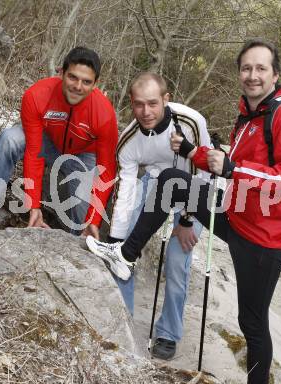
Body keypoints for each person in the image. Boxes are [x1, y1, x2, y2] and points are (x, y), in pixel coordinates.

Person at [86, 38, 281, 383]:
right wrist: (195, 152)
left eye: (260, 68)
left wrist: (227, 173)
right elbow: (218, 165)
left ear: (275, 74)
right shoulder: (248, 117)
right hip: (234, 215)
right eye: (246, 68)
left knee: (251, 322)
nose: (252, 75)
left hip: (265, 238)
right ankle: (125, 253)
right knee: (172, 180)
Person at [90, 72, 211, 360]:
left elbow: (203, 172)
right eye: (139, 105)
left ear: (166, 100)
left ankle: (168, 334)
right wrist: (119, 239)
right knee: (122, 249)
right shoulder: (130, 139)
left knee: (177, 260)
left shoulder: (192, 121)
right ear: (131, 103)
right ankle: (124, 318)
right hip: (154, 183)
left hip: (194, 189)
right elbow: (127, 190)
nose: (146, 112)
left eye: (153, 104)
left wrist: (185, 220)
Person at [0, 46, 118, 239]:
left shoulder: (104, 113)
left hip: (82, 155)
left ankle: (77, 242)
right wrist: (33, 206)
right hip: (46, 142)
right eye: (72, 77)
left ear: (95, 84)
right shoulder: (36, 95)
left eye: (86, 82)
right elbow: (34, 153)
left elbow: (106, 170)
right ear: (61, 72)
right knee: (10, 139)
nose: (78, 86)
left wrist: (93, 220)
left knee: (85, 222)